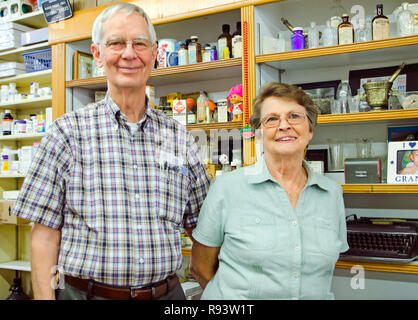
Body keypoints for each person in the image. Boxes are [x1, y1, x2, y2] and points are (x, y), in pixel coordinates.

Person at [12, 3, 210, 300]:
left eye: (140, 44)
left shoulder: (178, 136)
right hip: (86, 295)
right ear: (98, 54)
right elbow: (44, 236)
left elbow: (204, 226)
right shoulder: (67, 133)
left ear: (154, 55)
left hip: (166, 295)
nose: (129, 54)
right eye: (116, 43)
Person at [190, 82, 349, 300]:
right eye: (272, 119)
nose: (284, 125)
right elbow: (200, 268)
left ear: (310, 130)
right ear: (259, 133)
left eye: (295, 116)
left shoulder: (331, 194)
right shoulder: (227, 188)